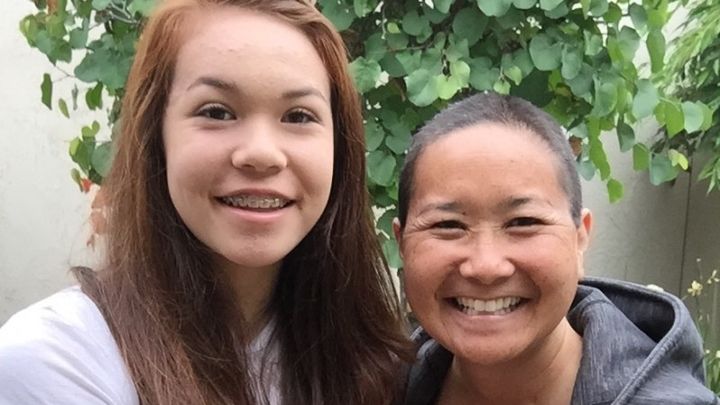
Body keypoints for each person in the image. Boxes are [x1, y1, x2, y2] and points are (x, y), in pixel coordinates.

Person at [0, 1, 412, 404]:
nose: (261, 153)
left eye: (299, 116)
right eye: (216, 112)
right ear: (155, 136)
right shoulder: (57, 362)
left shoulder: (371, 361)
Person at [393, 92, 720, 405]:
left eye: (523, 222)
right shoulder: (380, 389)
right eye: (448, 225)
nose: (486, 266)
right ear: (402, 243)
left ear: (580, 238)